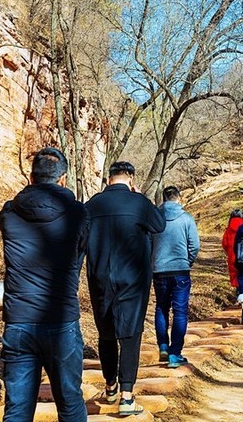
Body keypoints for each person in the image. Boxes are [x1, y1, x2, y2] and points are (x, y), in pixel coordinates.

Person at [0, 147, 90, 422]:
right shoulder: (79, 214)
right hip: (61, 320)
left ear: (30, 177)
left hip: (18, 322)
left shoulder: (10, 213)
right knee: (70, 402)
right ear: (63, 180)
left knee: (16, 410)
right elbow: (79, 255)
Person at [85, 161, 166, 416]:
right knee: (131, 334)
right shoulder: (139, 203)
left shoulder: (92, 205)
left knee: (106, 332)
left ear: (108, 179)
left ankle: (110, 387)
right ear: (130, 179)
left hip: (100, 277)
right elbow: (159, 225)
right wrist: (140, 196)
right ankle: (127, 397)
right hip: (133, 277)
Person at [151, 186, 200, 368]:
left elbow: (148, 243)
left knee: (161, 307)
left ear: (163, 199)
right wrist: (187, 261)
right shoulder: (186, 218)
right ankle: (175, 354)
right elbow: (194, 245)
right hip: (180, 270)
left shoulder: (155, 217)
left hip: (159, 271)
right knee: (180, 311)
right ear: (178, 198)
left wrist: (153, 262)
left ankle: (163, 346)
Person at [220, 209, 243, 288]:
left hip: (232, 254)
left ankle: (237, 292)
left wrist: (228, 250)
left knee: (234, 274)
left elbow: (224, 243)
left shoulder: (228, 229)